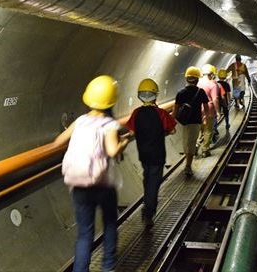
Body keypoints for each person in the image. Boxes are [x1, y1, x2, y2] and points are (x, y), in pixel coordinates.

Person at [53, 75, 129, 272]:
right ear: (112, 100)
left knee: (84, 234)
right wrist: (125, 141)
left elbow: (58, 142)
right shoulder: (109, 124)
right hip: (103, 185)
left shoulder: (80, 121)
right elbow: (112, 151)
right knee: (110, 224)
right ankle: (108, 267)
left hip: (78, 184)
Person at [125, 78, 177, 227]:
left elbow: (131, 131)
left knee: (147, 179)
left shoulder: (136, 113)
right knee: (154, 183)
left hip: (143, 154)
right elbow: (173, 130)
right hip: (158, 154)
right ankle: (148, 213)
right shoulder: (160, 113)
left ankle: (147, 203)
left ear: (139, 95)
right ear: (156, 95)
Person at [172, 66, 210, 176]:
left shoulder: (180, 93)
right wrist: (206, 119)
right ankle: (188, 165)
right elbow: (206, 108)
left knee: (186, 143)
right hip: (195, 121)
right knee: (191, 143)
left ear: (186, 79)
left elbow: (175, 110)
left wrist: (171, 124)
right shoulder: (201, 92)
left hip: (182, 122)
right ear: (197, 79)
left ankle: (187, 164)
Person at [197, 64, 221, 157]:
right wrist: (218, 112)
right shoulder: (212, 84)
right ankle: (205, 150)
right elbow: (215, 99)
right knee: (208, 130)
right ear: (211, 74)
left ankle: (196, 144)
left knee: (199, 129)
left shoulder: (197, 82)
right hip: (208, 109)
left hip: (197, 109)